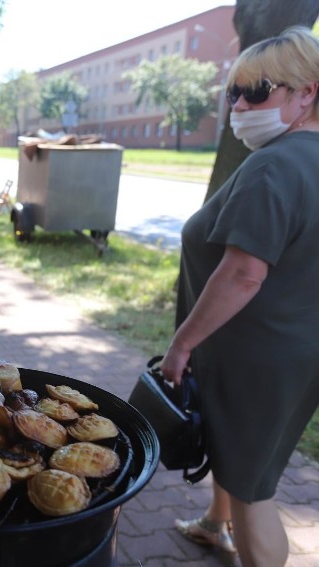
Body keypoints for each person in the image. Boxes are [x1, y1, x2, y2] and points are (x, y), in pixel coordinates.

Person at [161, 27, 319, 567]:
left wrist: (182, 344)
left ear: (307, 93)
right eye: (234, 92)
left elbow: (244, 273)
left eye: (258, 91)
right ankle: (212, 523)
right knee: (238, 456)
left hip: (255, 353)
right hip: (293, 350)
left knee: (254, 488)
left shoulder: (277, 163)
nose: (240, 105)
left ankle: (238, 530)